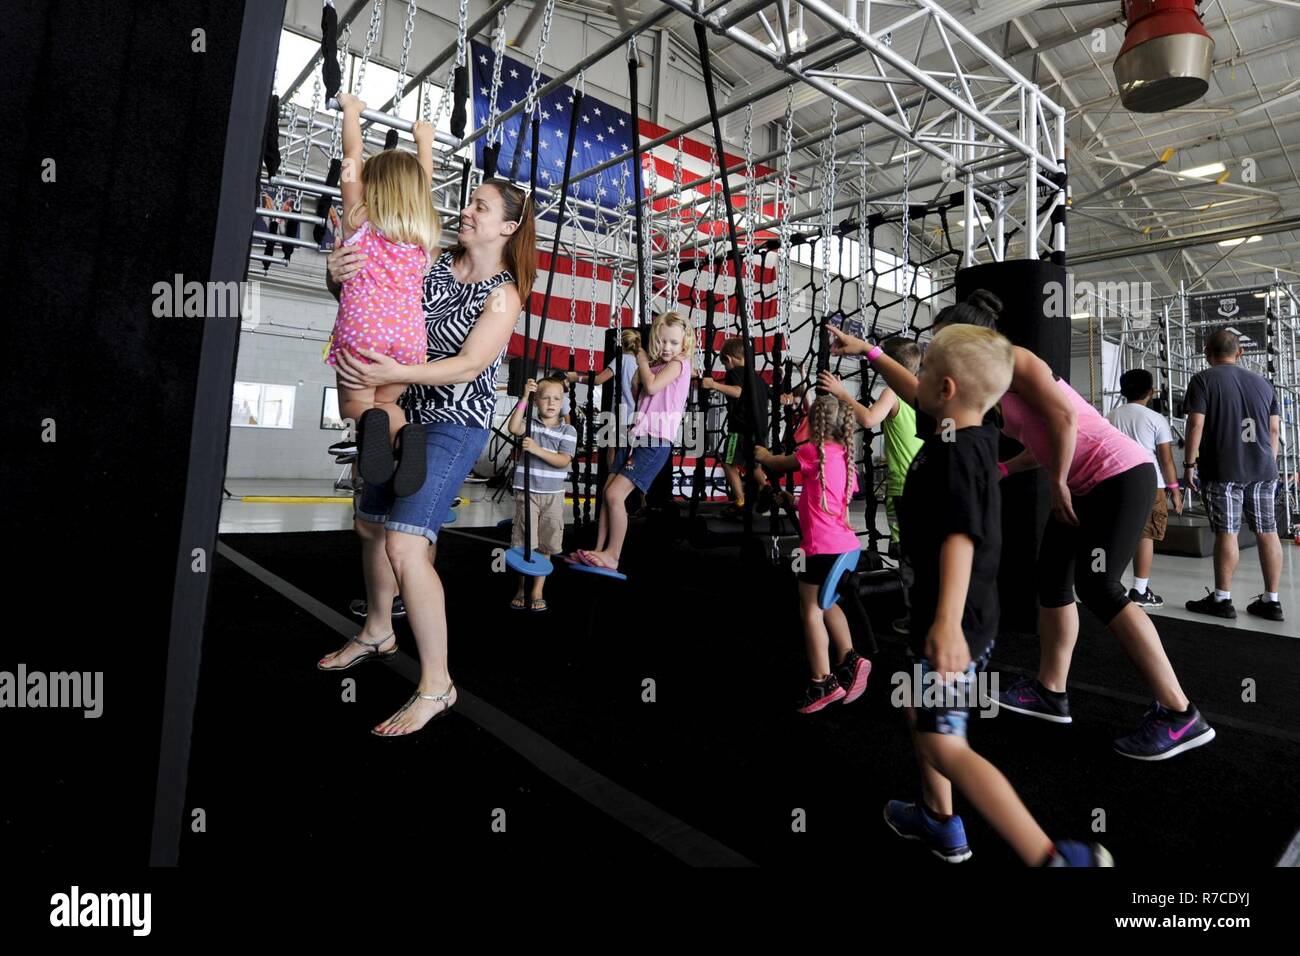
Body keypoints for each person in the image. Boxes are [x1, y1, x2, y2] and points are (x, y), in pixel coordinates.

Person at [828, 290, 1215, 761]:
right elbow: (926, 399)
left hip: (1119, 474)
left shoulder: (1019, 360)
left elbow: (1066, 417)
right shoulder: (984, 384)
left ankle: (1179, 713)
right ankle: (1051, 691)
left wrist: (1057, 482)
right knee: (1052, 582)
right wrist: (868, 352)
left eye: (941, 342)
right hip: (1083, 480)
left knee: (1098, 586)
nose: (934, 354)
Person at [883, 324, 1111, 866]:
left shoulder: (955, 454)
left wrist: (944, 622)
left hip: (954, 625)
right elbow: (915, 393)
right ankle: (938, 820)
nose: (917, 381)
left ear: (946, 391)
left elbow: (962, 536)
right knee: (922, 714)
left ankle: (1052, 855)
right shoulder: (963, 436)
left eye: (925, 371)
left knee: (945, 744)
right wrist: (868, 352)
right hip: (954, 620)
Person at [316, 178, 535, 737]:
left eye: (479, 207)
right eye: (468, 202)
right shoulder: (432, 262)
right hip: (400, 410)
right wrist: (335, 276)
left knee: (406, 544)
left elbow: (467, 366)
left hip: (455, 422)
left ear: (507, 227)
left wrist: (393, 373)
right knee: (369, 528)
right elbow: (376, 297)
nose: (465, 211)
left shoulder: (503, 294)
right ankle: (377, 631)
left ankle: (437, 685)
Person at [327, 93, 441, 497]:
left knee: (355, 407)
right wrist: (424, 141)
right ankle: (404, 434)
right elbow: (422, 186)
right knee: (389, 405)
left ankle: (369, 425)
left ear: (372, 185)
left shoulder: (360, 217)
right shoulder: (422, 233)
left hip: (364, 329)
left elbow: (351, 154)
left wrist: (353, 112)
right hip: (409, 338)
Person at [755, 395, 871, 713]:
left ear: (814, 425)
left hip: (819, 549)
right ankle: (850, 658)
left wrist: (762, 455)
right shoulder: (845, 459)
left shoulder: (810, 451)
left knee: (810, 611)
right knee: (828, 600)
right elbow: (829, 506)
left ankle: (822, 682)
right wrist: (791, 502)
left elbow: (778, 464)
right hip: (846, 546)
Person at [573, 312, 693, 573]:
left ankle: (613, 555)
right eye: (662, 341)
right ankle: (599, 548)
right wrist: (641, 368)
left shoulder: (680, 364)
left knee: (616, 495)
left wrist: (640, 360)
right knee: (607, 491)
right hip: (636, 436)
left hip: (655, 441)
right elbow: (641, 392)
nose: (667, 348)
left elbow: (651, 387)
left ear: (684, 343)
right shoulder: (657, 365)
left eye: (674, 342)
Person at [1182, 329, 1285, 621]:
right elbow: (1274, 430)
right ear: (1240, 352)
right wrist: (1268, 461)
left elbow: (1195, 425)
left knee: (1227, 531)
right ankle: (1272, 600)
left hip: (1224, 470)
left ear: (1207, 353)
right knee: (1268, 531)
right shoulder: (1265, 384)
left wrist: (1189, 465)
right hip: (1264, 469)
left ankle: (1222, 599)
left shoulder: (1203, 379)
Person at [819, 337, 924, 549]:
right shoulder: (922, 393)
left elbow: (868, 419)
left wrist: (841, 393)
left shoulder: (892, 393)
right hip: (925, 484)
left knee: (905, 549)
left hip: (902, 488)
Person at [1106, 369, 1183, 608]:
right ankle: (1139, 590)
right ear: (1151, 392)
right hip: (1150, 483)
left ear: (1122, 391)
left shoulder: (1110, 416)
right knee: (1146, 535)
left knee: (1116, 533)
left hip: (1116, 480)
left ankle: (1108, 582)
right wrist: (1175, 489)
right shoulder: (1156, 419)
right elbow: (1167, 460)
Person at [506, 377, 576, 611]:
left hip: (553, 496)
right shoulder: (530, 425)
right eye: (545, 397)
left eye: (556, 398)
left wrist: (537, 449)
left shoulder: (568, 430)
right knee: (526, 543)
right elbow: (513, 427)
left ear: (562, 402)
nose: (551, 402)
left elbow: (563, 461)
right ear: (537, 402)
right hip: (527, 493)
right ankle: (522, 587)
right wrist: (524, 396)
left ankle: (537, 590)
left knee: (546, 545)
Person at [701, 337, 771, 517]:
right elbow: (772, 396)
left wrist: (714, 384)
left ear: (729, 359)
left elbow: (738, 392)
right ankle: (765, 486)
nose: (725, 368)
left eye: (724, 364)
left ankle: (740, 500)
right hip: (759, 429)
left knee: (728, 463)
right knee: (753, 464)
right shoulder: (758, 378)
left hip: (739, 429)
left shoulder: (735, 373)